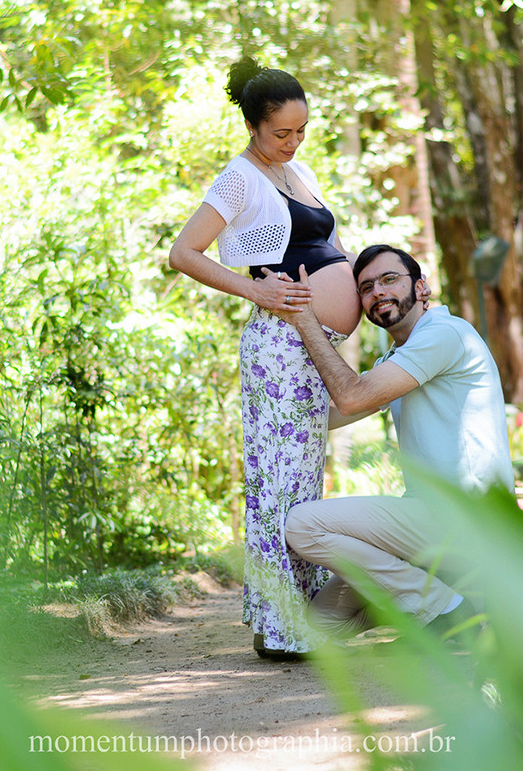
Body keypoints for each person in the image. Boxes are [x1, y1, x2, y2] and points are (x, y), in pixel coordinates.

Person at [168, 56, 361, 658]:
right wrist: (256, 289)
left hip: (312, 345)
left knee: (303, 484)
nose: (293, 141)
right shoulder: (240, 177)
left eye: (302, 130)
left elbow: (327, 247)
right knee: (278, 483)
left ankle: (287, 619)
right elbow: (184, 253)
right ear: (253, 125)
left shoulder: (298, 172)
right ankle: (281, 631)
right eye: (282, 132)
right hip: (278, 347)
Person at [278, 245, 513, 643]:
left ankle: (449, 610)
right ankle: (445, 602)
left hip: (468, 519)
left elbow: (351, 396)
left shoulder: (444, 334)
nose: (377, 292)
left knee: (302, 525)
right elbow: (333, 416)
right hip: (428, 526)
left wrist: (305, 320)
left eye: (389, 279)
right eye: (366, 287)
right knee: (322, 626)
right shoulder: (399, 357)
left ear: (421, 288)